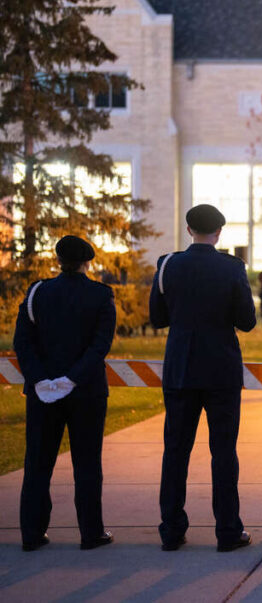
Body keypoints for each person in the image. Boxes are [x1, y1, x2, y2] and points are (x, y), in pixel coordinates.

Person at [150, 204, 257, 552]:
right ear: (219, 233)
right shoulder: (231, 267)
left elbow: (157, 318)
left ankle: (171, 530)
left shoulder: (167, 265)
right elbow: (247, 321)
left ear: (188, 229)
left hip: (180, 368)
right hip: (220, 371)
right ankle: (227, 531)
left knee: (175, 452)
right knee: (223, 452)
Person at [14, 236, 116, 552]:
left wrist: (41, 380)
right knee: (86, 463)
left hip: (43, 393)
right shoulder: (100, 295)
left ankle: (32, 533)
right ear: (88, 262)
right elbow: (99, 345)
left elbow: (23, 343)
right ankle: (91, 532)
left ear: (58, 260)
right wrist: (72, 378)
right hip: (86, 391)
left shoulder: (37, 293)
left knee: (38, 463)